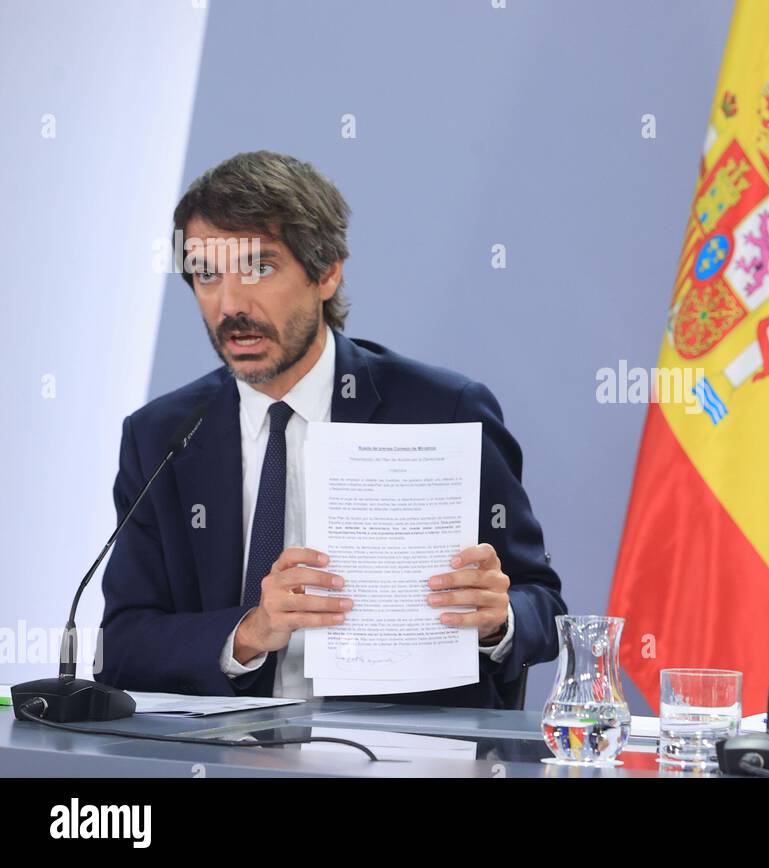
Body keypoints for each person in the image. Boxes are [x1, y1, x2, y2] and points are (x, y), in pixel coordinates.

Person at [96, 151, 565, 707]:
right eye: (206, 275)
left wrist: (498, 618)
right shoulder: (161, 436)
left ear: (327, 272)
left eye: (259, 268)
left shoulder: (445, 409)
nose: (230, 306)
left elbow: (545, 609)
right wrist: (248, 632)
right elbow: (121, 647)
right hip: (220, 758)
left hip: (403, 757)